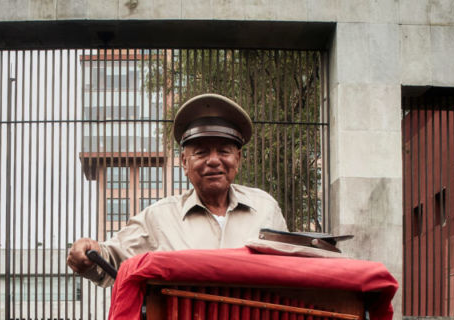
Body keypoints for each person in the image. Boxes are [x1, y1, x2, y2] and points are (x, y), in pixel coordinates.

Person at [66, 93, 288, 286]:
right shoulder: (160, 217)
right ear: (184, 162)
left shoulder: (265, 209)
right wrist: (87, 254)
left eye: (224, 151)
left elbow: (291, 271)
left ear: (238, 159)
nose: (213, 161)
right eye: (201, 152)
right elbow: (110, 259)